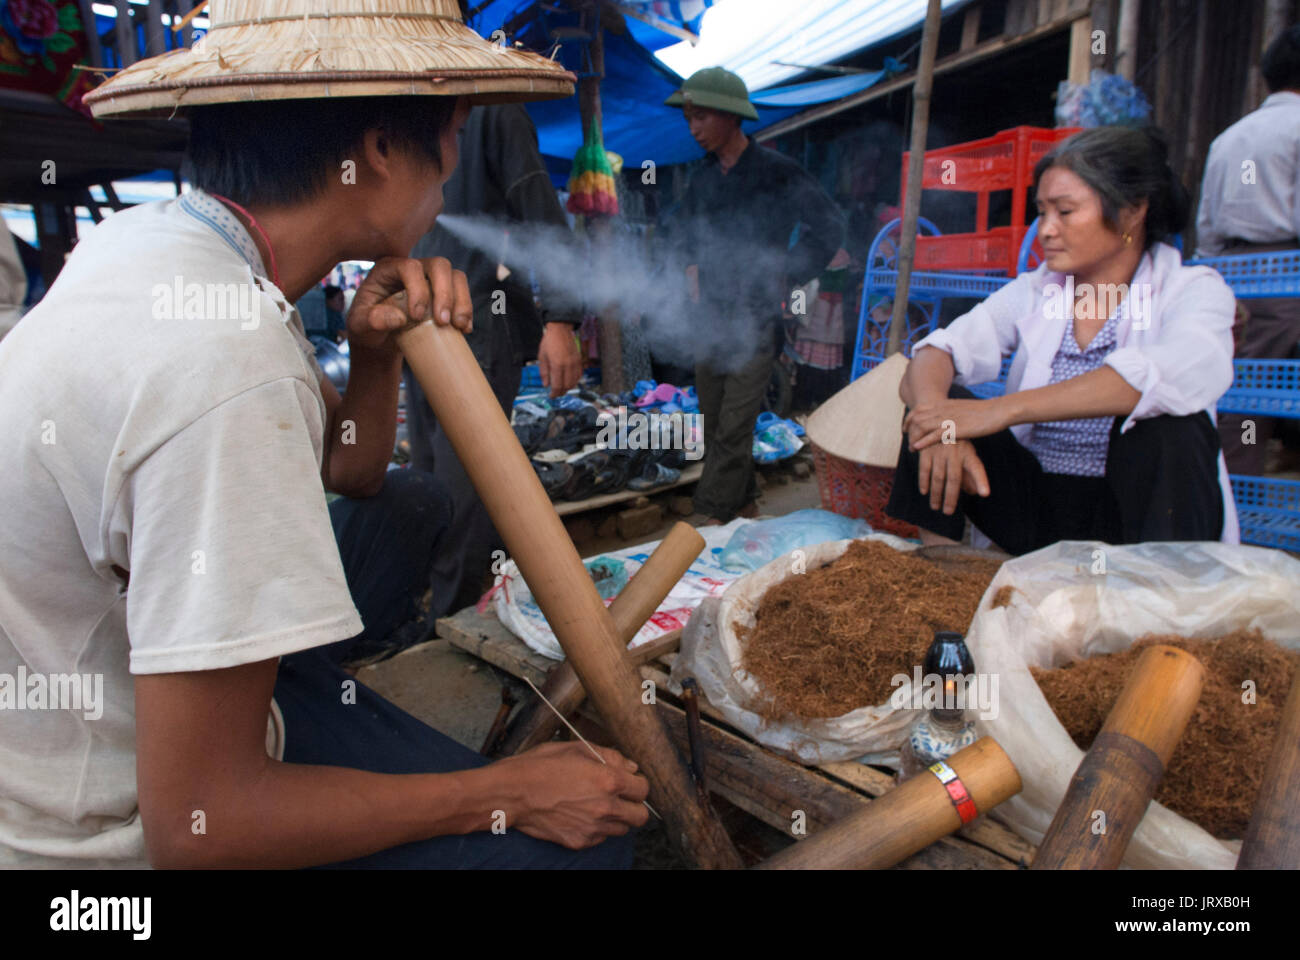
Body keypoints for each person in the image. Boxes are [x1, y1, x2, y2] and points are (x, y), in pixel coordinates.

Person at [0, 0, 645, 870]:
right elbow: (204, 829)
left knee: (410, 503)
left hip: (114, 688)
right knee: (589, 854)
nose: (453, 168)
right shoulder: (226, 361)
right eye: (452, 132)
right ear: (379, 151)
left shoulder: (168, 245)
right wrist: (507, 792)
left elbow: (357, 472)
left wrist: (374, 356)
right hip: (108, 826)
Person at [886, 126, 1239, 554]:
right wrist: (941, 424)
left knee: (1174, 426)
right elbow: (938, 352)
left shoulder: (1193, 290)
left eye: (1065, 212)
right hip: (1039, 511)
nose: (1046, 230)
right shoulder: (1039, 291)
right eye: (1042, 212)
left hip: (1127, 519)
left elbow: (1162, 375)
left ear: (1131, 213)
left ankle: (1164, 600)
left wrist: (999, 412)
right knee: (932, 403)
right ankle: (939, 576)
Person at [406, 100, 584, 616]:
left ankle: (455, 616)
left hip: (479, 319)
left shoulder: (494, 112)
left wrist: (561, 320)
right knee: (427, 476)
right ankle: (445, 600)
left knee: (465, 483)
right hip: (418, 321)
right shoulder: (405, 111)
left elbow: (542, 218)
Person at [664, 67, 845, 524]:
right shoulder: (701, 177)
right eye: (688, 119)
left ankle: (710, 512)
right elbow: (682, 235)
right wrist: (688, 275)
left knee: (736, 422)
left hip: (757, 317)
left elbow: (828, 226)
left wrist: (789, 271)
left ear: (730, 116)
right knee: (711, 416)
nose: (693, 129)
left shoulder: (778, 172)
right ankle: (743, 502)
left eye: (701, 117)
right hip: (710, 319)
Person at [1196, 25, 1300, 476]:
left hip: (1233, 273)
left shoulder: (1229, 138)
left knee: (1243, 395)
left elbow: (1206, 224)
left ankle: (1234, 494)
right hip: (1288, 273)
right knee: (1262, 391)